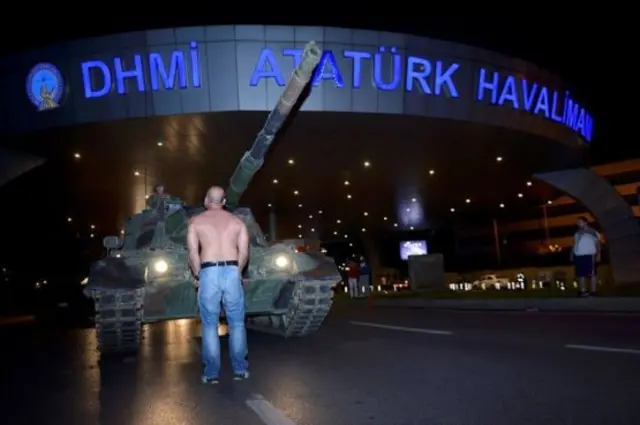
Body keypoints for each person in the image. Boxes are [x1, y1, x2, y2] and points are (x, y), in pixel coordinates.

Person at [187, 186, 250, 384]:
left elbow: (192, 254)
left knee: (209, 325)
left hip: (208, 271)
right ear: (223, 202)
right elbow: (244, 253)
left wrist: (199, 275)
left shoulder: (196, 222)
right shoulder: (238, 222)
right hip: (231, 270)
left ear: (207, 200)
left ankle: (211, 373)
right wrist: (237, 272)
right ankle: (240, 370)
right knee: (237, 324)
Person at [570, 216, 601, 297]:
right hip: (579, 255)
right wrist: (572, 254)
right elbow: (574, 244)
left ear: (585, 222)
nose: (578, 223)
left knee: (592, 273)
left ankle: (593, 291)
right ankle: (583, 291)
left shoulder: (593, 232)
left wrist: (598, 254)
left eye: (580, 222)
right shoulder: (577, 233)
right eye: (578, 222)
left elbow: (598, 244)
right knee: (581, 274)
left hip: (589, 255)